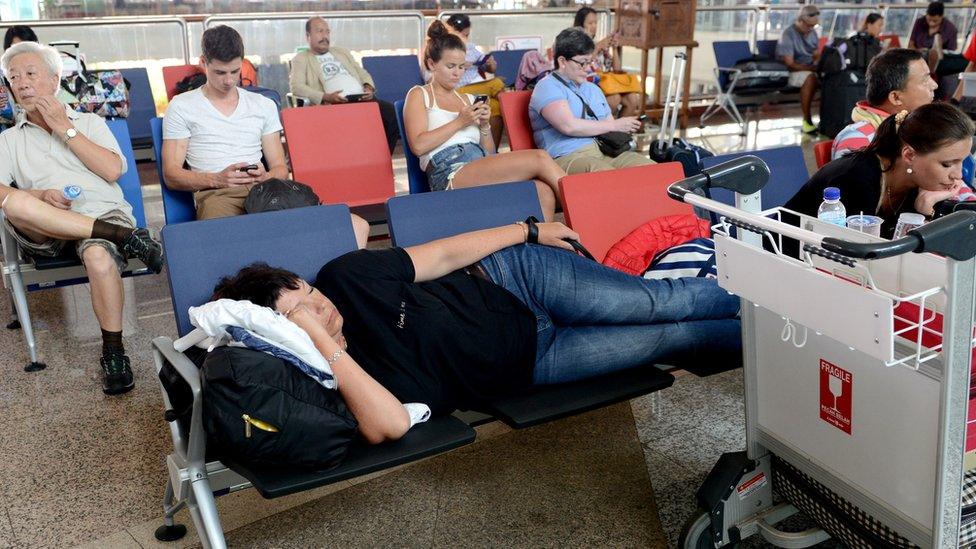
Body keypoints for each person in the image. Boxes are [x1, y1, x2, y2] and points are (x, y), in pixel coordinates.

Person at [210, 221, 742, 443]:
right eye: (301, 318)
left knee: (657, 302)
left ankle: (786, 298)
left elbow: (442, 253)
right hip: (535, 361)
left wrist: (530, 230)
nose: (321, 312)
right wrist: (323, 343)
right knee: (673, 338)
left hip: (519, 280)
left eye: (310, 299)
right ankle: (776, 339)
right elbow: (390, 426)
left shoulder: (346, 276)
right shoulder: (333, 381)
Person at [0, 41, 164, 395]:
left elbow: (110, 170)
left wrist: (65, 129)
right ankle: (125, 236)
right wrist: (39, 196)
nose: (22, 83)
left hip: (100, 212)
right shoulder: (9, 139)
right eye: (13, 77)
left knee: (96, 254)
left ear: (54, 80)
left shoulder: (89, 122)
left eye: (31, 74)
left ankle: (114, 352)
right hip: (46, 228)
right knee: (15, 204)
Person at [163, 26, 370, 247]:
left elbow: (281, 168)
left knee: (357, 226)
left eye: (235, 71)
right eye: (220, 73)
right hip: (218, 194)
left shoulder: (262, 105)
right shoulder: (182, 106)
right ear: (203, 62)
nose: (229, 81)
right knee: (226, 244)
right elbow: (171, 174)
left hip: (266, 191)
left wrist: (266, 176)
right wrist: (216, 179)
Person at [404, 21, 567, 221]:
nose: (457, 73)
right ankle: (585, 211)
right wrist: (460, 122)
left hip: (479, 163)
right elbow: (418, 146)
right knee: (539, 158)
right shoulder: (419, 94)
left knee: (542, 190)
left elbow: (489, 152)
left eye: (462, 67)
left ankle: (542, 248)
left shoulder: (468, 99)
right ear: (431, 64)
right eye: (450, 66)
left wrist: (483, 125)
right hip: (450, 173)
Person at [786, 103, 973, 238]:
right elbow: (866, 254)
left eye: (962, 162)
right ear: (909, 155)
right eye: (947, 164)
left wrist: (924, 209)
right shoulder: (857, 179)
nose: (958, 175)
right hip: (784, 259)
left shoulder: (918, 182)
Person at [529, 28, 648, 175]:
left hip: (604, 150)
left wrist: (624, 125)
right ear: (562, 61)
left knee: (650, 168)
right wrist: (614, 124)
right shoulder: (548, 86)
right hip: (567, 155)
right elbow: (568, 126)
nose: (588, 68)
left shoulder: (592, 89)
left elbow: (608, 126)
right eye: (582, 63)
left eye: (589, 62)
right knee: (606, 175)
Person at [288, 17, 399, 154]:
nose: (325, 36)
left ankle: (382, 158)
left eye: (327, 32)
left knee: (392, 115)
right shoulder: (301, 59)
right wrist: (325, 97)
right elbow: (296, 86)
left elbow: (361, 72)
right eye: (320, 31)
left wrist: (368, 86)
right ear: (308, 36)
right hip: (333, 104)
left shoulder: (341, 52)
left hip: (361, 99)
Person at [831, 48, 935, 160]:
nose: (934, 85)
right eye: (925, 80)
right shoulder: (860, 140)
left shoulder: (913, 128)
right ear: (896, 98)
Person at [443, 14, 504, 147]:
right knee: (497, 84)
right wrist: (461, 64)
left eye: (467, 35)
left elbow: (491, 69)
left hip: (478, 84)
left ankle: (493, 150)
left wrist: (490, 64)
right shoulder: (443, 48)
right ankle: (511, 104)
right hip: (460, 87)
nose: (465, 38)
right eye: (462, 35)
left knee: (495, 106)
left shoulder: (470, 47)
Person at [574, 7, 641, 118]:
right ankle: (606, 131)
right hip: (587, 84)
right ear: (580, 25)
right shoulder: (577, 45)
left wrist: (614, 49)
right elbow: (582, 65)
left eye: (596, 22)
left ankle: (620, 133)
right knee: (614, 98)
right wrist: (597, 47)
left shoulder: (598, 44)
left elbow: (617, 70)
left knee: (632, 98)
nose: (594, 26)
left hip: (605, 84)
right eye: (590, 23)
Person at [776, 5, 821, 134]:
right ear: (800, 20)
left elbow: (816, 54)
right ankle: (807, 121)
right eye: (808, 26)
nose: (810, 29)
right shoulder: (788, 34)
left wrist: (819, 62)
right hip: (791, 72)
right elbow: (790, 64)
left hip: (810, 69)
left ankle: (829, 120)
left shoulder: (812, 33)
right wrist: (811, 68)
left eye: (813, 26)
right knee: (810, 78)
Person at [909, 1, 966, 97]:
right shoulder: (919, 22)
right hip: (919, 57)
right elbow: (910, 44)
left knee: (958, 65)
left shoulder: (950, 29)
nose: (931, 23)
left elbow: (951, 51)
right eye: (929, 20)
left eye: (935, 21)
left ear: (941, 16)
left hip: (941, 63)